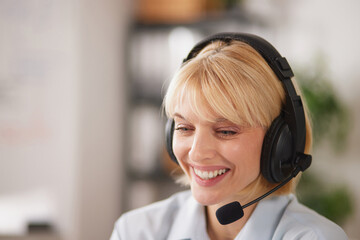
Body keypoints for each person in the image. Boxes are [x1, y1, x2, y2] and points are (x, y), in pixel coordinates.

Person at [110, 32, 348, 240]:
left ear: (279, 143)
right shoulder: (136, 231)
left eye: (226, 131)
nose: (197, 152)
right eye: (185, 128)